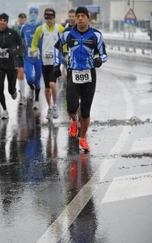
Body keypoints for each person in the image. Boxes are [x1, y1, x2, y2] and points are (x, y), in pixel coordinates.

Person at [53, 6, 107, 152]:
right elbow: (56, 47)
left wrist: (100, 60)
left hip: (90, 75)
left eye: (84, 15)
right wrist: (56, 65)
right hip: (73, 73)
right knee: (71, 107)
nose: (81, 18)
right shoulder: (68, 34)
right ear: (75, 18)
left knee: (86, 110)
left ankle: (83, 138)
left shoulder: (96, 35)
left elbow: (103, 54)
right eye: (78, 16)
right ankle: (73, 120)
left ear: (88, 18)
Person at [0, 13, 23, 119]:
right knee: (0, 88)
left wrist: (15, 51)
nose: (2, 22)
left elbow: (22, 47)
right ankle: (5, 110)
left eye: (4, 20)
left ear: (7, 22)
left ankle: (14, 91)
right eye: (0, 20)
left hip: (11, 66)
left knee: (10, 89)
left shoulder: (14, 33)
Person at [31, 8, 65, 120]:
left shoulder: (60, 29)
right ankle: (49, 107)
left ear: (54, 18)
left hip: (55, 62)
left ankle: (55, 105)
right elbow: (34, 44)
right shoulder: (40, 29)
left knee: (52, 84)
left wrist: (65, 53)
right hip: (44, 62)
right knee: (46, 88)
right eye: (47, 18)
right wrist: (35, 51)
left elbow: (65, 43)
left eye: (50, 18)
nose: (49, 20)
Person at [21, 7, 43, 110]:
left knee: (37, 80)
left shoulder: (42, 26)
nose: (33, 14)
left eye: (35, 12)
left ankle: (37, 100)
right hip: (28, 57)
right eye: (31, 12)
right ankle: (31, 88)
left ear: (38, 14)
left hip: (39, 57)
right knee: (29, 78)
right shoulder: (24, 27)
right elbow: (21, 39)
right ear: (29, 14)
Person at [12, 13, 27, 105]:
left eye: (23, 18)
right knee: (20, 72)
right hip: (18, 54)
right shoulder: (14, 28)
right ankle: (23, 95)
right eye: (20, 18)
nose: (21, 19)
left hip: (28, 54)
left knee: (28, 75)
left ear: (25, 19)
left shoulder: (28, 27)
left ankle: (30, 86)